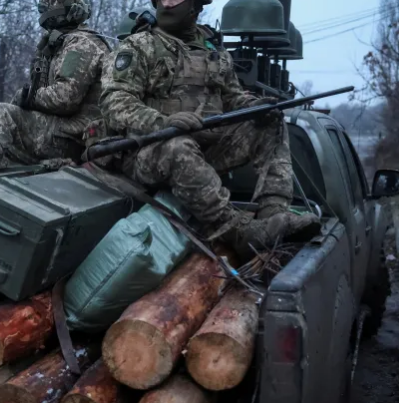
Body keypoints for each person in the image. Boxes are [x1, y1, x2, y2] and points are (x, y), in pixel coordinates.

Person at [97, 0, 321, 259]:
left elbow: (232, 97)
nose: (168, 4)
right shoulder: (140, 46)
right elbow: (114, 101)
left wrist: (255, 106)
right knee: (178, 146)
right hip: (147, 153)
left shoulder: (212, 47)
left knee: (271, 123)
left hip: (205, 149)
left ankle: (274, 214)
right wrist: (161, 122)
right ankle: (237, 232)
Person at [0, 0, 111, 176]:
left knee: (2, 115)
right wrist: (42, 57)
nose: (44, 7)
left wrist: (27, 97)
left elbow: (65, 98)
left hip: (76, 137)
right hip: (64, 133)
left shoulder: (82, 44)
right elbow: (45, 89)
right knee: (2, 144)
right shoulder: (61, 43)